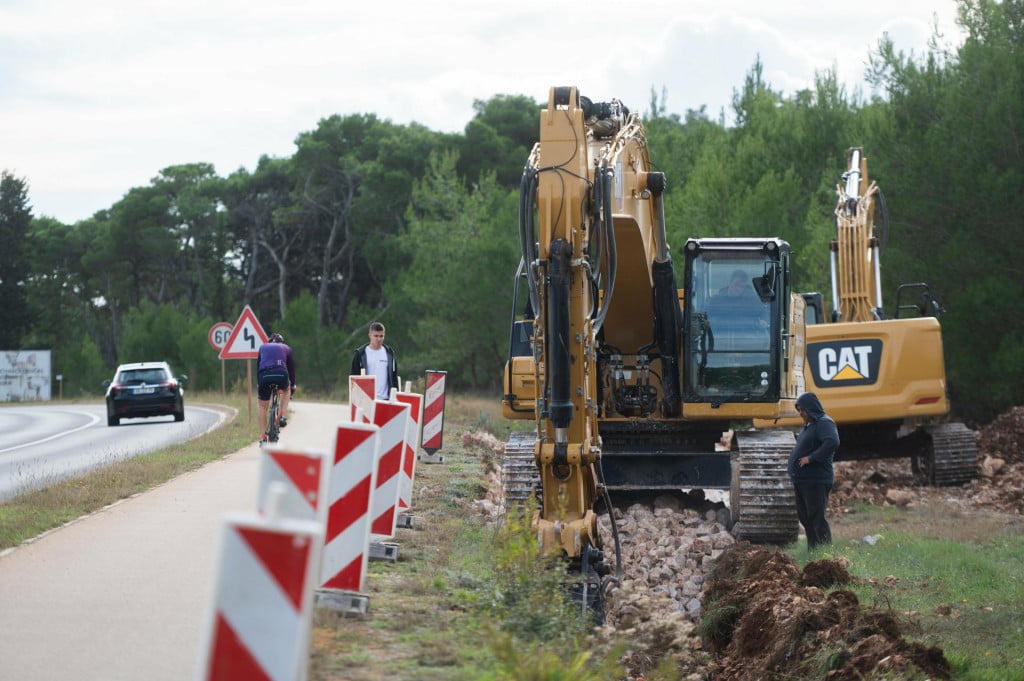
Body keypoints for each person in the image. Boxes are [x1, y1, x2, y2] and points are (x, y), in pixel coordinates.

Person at [788, 392, 840, 551]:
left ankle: (825, 553)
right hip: (803, 480)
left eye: (803, 410)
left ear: (811, 408)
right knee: (805, 518)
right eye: (799, 410)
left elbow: (832, 442)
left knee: (816, 517)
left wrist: (811, 458)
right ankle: (813, 551)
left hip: (816, 480)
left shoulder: (824, 422)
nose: (801, 413)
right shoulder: (809, 425)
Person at [257, 332, 296, 442]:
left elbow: (258, 366)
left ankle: (263, 437)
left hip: (264, 375)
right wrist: (293, 385)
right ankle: (282, 415)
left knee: (262, 406)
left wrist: (258, 383)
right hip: (281, 374)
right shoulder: (286, 348)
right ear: (282, 342)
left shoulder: (262, 347)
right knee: (287, 390)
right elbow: (291, 369)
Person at [350, 321, 398, 400]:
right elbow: (354, 378)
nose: (379, 339)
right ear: (370, 335)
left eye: (381, 336)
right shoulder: (360, 354)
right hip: (367, 399)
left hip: (386, 399)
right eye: (376, 336)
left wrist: (395, 397)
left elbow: (394, 377)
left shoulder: (389, 353)